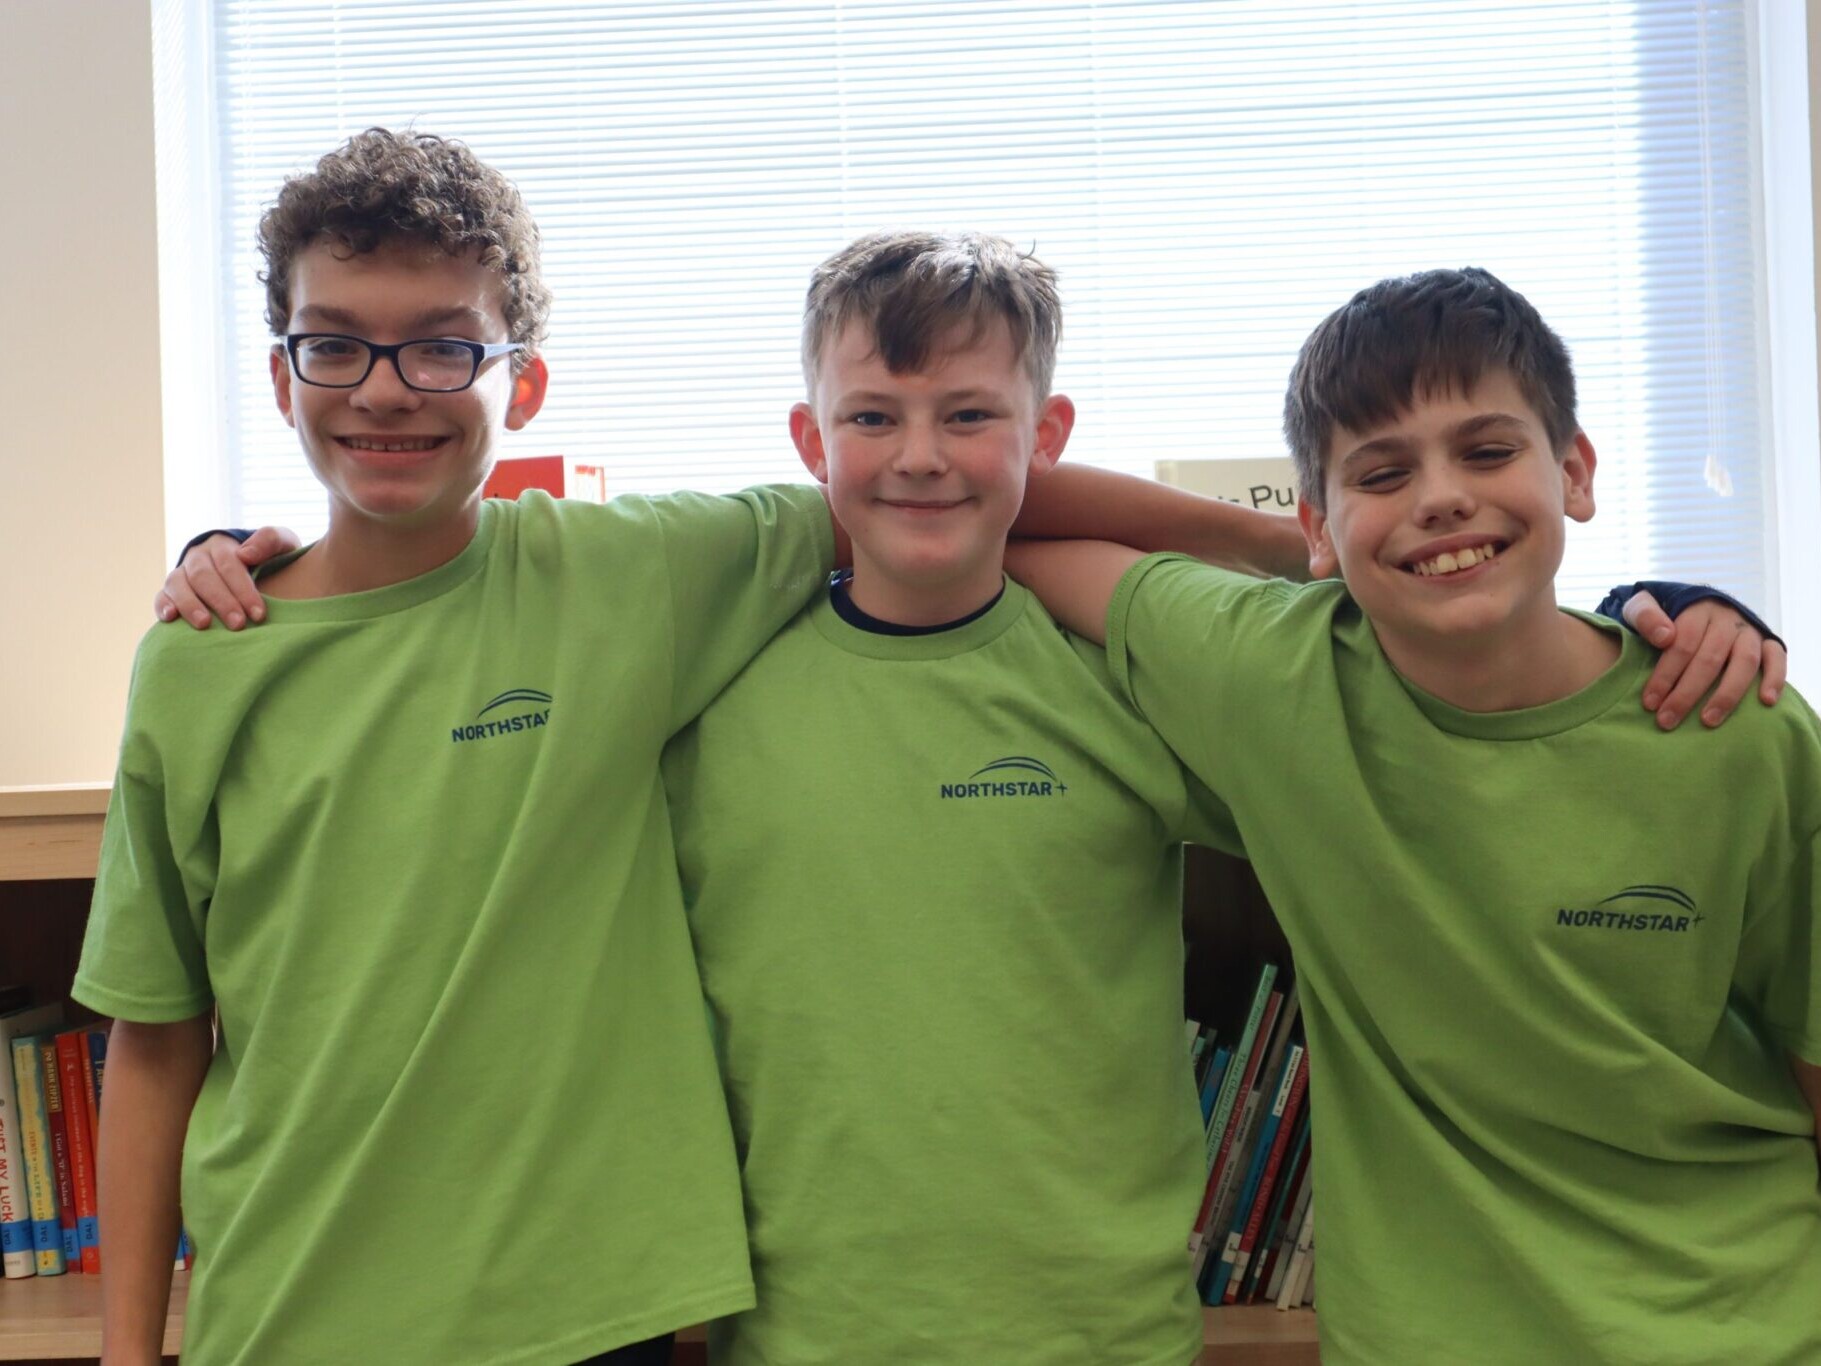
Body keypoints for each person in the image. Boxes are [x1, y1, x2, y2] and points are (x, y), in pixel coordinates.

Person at [88, 134, 1306, 1366]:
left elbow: (932, 494)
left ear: (521, 383)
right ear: (284, 376)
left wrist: (1285, 545)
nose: (389, 387)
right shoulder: (203, 659)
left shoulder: (629, 583)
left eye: (446, 344)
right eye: (336, 344)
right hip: (289, 1310)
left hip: (592, 1319)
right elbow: (155, 1027)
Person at [1009, 266, 1821, 1364]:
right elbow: (995, 504)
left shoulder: (1739, 726)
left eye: (1487, 451)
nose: (1441, 496)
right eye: (1381, 473)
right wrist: (1279, 551)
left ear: (1575, 471)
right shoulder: (1270, 673)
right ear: (1317, 520)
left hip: (1746, 1325)